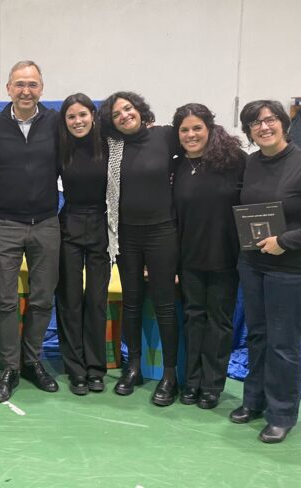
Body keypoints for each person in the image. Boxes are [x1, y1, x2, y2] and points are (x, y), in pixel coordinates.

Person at [230, 100, 301, 443]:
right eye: (255, 123)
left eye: (269, 120)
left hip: (294, 269)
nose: (263, 127)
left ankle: (281, 414)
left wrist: (286, 241)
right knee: (257, 336)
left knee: (283, 343)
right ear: (249, 131)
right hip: (254, 264)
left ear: (283, 123)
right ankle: (254, 401)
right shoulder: (252, 164)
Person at [0, 60, 60, 403]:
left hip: (46, 223)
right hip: (4, 224)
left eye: (32, 84)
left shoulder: (56, 123)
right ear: (8, 88)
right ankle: (9, 367)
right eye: (20, 84)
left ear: (42, 88)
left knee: (42, 298)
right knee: (5, 300)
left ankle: (32, 360)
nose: (26, 91)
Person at [99, 91, 180, 406]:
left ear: (139, 109)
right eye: (116, 114)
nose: (124, 115)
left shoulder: (165, 136)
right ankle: (133, 367)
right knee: (131, 303)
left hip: (162, 232)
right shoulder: (112, 146)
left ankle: (169, 375)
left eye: (128, 108)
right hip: (126, 235)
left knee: (164, 304)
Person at [172, 103, 245, 409]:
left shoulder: (235, 162)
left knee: (219, 322)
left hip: (225, 258)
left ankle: (212, 385)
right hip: (189, 259)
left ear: (210, 128)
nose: (191, 134)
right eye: (184, 129)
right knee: (193, 319)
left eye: (197, 128)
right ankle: (191, 382)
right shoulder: (176, 166)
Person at [55, 93, 110, 395]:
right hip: (70, 226)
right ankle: (75, 369)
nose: (77, 121)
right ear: (64, 121)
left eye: (82, 115)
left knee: (97, 300)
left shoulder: (108, 146)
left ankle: (96, 368)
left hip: (101, 226)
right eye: (71, 117)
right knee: (70, 299)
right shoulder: (60, 148)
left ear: (93, 115)